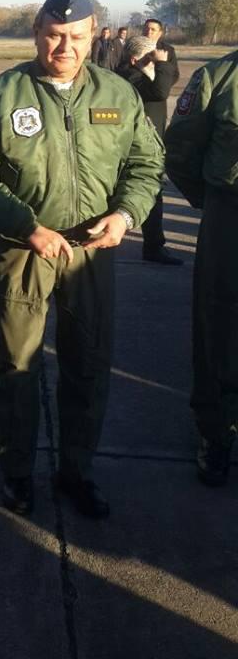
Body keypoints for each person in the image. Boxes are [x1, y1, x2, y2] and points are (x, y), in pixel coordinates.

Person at [0, 0, 163, 519]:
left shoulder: (117, 94)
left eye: (76, 36)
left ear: (93, 34)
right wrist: (26, 226)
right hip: (25, 248)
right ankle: (16, 472)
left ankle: (77, 470)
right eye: (54, 35)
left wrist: (125, 215)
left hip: (92, 250)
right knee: (15, 364)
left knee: (89, 364)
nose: (65, 47)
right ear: (37, 33)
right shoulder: (3, 95)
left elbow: (146, 164)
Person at [165, 50, 238, 487]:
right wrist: (211, 203)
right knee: (220, 325)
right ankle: (216, 430)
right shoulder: (220, 78)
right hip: (230, 212)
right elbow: (180, 150)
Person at [115, 36, 183, 265]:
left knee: (151, 193)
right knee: (147, 191)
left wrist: (161, 63)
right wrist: (161, 64)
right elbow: (160, 92)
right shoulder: (128, 76)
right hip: (134, 147)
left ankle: (153, 245)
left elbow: (170, 78)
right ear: (135, 60)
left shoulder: (146, 73)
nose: (155, 61)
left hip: (149, 142)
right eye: (149, 57)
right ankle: (152, 246)